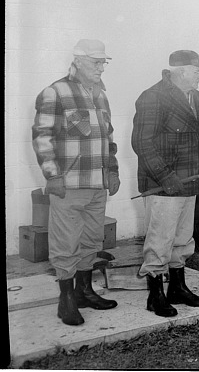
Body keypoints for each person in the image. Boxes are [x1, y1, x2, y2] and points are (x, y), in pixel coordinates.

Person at [32, 39, 120, 326]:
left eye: (103, 62)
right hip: (68, 185)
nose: (101, 67)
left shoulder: (101, 94)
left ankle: (84, 292)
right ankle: (66, 300)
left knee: (91, 241)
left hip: (97, 185)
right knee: (65, 243)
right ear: (78, 60)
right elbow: (42, 136)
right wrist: (52, 175)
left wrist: (113, 171)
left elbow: (108, 138)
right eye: (96, 61)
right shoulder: (55, 92)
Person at [131, 50, 199, 317]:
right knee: (160, 240)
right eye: (197, 70)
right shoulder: (153, 97)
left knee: (182, 239)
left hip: (190, 182)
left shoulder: (194, 96)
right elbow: (142, 143)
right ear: (181, 71)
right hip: (163, 184)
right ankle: (154, 296)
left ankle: (177, 288)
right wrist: (166, 177)